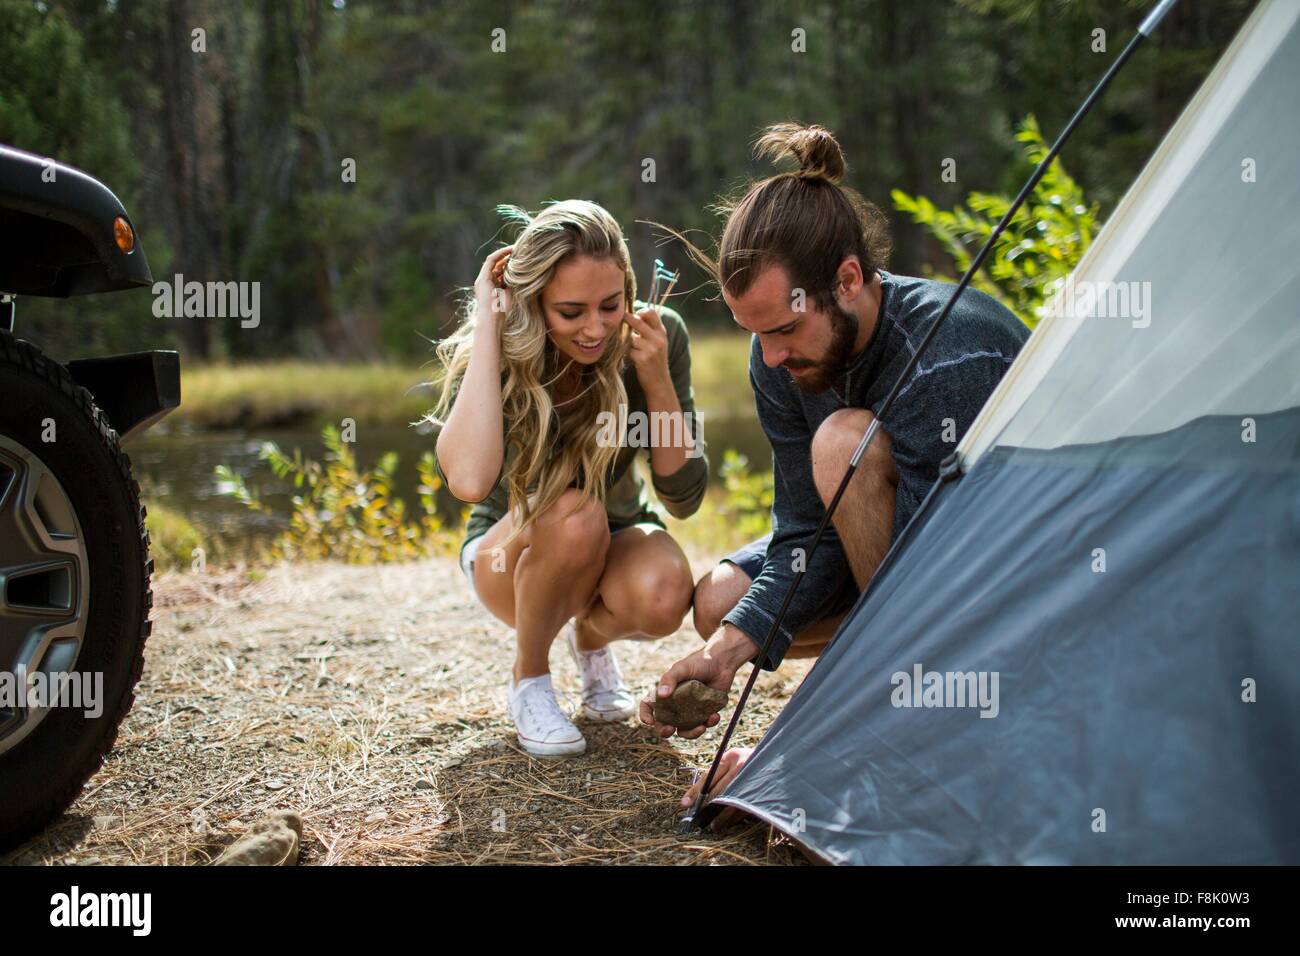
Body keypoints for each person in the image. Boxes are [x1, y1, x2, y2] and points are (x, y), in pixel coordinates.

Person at [640, 123, 1030, 812]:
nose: (772, 356)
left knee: (841, 441)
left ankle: (907, 713)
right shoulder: (776, 357)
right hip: (898, 563)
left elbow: (926, 577)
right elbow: (803, 532)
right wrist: (727, 656)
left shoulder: (946, 352)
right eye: (755, 334)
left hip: (993, 579)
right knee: (721, 605)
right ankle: (869, 680)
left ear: (848, 279)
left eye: (786, 329)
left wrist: (788, 751)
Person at [431, 200, 708, 757]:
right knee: (575, 513)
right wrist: (489, 323)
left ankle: (592, 641)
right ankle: (529, 680)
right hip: (508, 556)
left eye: (611, 305)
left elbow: (683, 496)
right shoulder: (503, 346)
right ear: (536, 303)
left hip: (614, 542)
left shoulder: (660, 334)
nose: (595, 328)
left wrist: (655, 379)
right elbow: (467, 480)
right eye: (571, 311)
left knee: (663, 593)